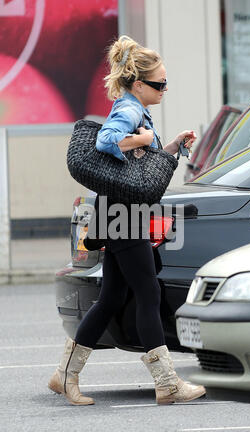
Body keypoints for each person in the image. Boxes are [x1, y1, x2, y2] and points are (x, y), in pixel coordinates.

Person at [48, 36, 206, 406]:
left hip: (121, 212)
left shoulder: (136, 109)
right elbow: (107, 141)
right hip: (126, 215)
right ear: (138, 85)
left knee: (113, 297)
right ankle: (167, 383)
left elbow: (138, 164)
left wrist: (168, 146)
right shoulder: (129, 110)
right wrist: (144, 140)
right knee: (147, 293)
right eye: (159, 83)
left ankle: (64, 375)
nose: (165, 88)